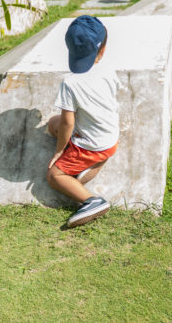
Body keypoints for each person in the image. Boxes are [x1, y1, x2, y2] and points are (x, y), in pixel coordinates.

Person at [45, 15, 120, 228]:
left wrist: (59, 151)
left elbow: (68, 123)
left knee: (54, 175)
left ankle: (91, 201)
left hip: (92, 146)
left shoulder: (70, 83)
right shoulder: (109, 70)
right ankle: (91, 167)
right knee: (53, 124)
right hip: (110, 138)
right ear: (102, 49)